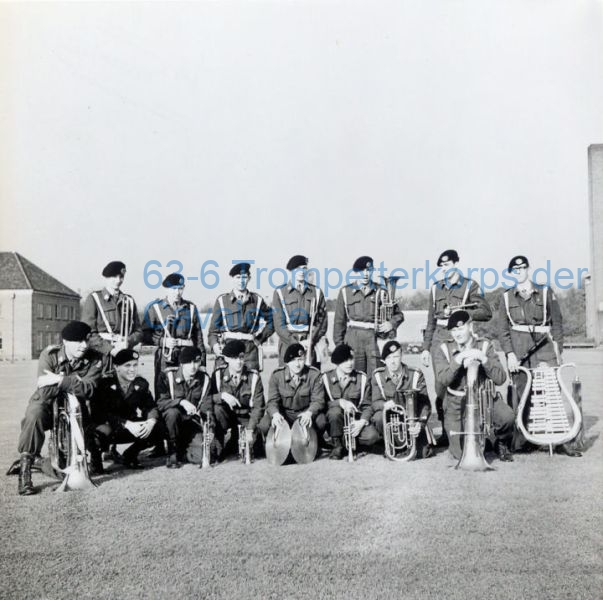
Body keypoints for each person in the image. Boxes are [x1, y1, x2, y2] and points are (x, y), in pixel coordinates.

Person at [498, 255, 581, 456]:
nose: (519, 271)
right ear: (511, 273)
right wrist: (509, 354)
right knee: (521, 395)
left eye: (522, 267)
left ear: (528, 269)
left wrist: (558, 350)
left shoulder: (545, 292)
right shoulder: (506, 297)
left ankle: (558, 438)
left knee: (551, 393)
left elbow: (557, 323)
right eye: (515, 269)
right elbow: (503, 330)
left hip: (545, 349)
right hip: (519, 352)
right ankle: (523, 440)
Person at [14, 321, 103, 495]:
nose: (84, 345)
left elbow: (90, 390)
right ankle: (25, 471)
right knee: (34, 413)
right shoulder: (50, 355)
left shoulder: (95, 359)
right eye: (78, 341)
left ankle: (39, 463)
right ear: (65, 342)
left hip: (77, 411)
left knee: (67, 472)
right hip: (47, 406)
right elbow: (45, 390)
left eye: (86, 340)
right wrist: (75, 384)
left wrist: (60, 380)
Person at [421, 249, 492, 447]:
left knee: (463, 383)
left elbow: (486, 312)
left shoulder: (470, 285)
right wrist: (425, 348)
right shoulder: (435, 288)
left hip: (461, 340)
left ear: (456, 264)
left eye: (447, 264)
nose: (444, 268)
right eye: (442, 266)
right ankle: (447, 431)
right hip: (439, 341)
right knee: (441, 386)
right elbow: (430, 321)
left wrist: (463, 313)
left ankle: (470, 427)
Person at [434, 311, 514, 462]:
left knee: (507, 417)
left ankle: (501, 442)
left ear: (470, 327)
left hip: (483, 398)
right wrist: (458, 360)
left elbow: (501, 379)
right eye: (453, 330)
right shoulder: (443, 348)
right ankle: (483, 441)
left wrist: (484, 359)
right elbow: (443, 379)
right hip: (456, 402)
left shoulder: (485, 345)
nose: (457, 334)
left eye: (461, 328)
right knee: (459, 453)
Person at [92, 349, 162, 469]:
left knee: (159, 427)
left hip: (130, 426)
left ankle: (130, 455)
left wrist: (150, 421)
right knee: (100, 433)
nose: (132, 369)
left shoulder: (141, 383)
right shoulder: (104, 383)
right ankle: (96, 460)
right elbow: (100, 413)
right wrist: (126, 423)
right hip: (109, 426)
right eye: (127, 365)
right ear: (116, 367)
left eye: (135, 365)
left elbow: (150, 406)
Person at [143, 272, 207, 393]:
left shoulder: (191, 308)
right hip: (165, 358)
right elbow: (145, 335)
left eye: (180, 288)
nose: (177, 292)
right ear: (166, 289)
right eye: (173, 289)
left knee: (188, 391)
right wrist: (163, 341)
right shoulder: (155, 308)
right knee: (164, 391)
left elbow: (199, 338)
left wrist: (202, 363)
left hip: (187, 358)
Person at [371, 340, 434, 459]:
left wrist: (420, 424)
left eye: (396, 357)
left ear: (401, 356)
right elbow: (374, 403)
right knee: (378, 417)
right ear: (384, 360)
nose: (393, 361)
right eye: (389, 358)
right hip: (391, 420)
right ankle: (392, 445)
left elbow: (425, 404)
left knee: (422, 453)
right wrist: (384, 405)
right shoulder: (378, 376)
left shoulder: (416, 374)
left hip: (412, 420)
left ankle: (404, 445)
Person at [208, 262, 274, 371]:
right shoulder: (222, 301)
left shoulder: (257, 300)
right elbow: (212, 331)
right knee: (225, 379)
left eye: (244, 277)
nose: (241, 281)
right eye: (238, 277)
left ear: (249, 278)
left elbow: (273, 320)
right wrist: (215, 345)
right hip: (228, 348)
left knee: (251, 379)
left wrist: (260, 339)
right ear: (232, 279)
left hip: (250, 352)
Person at [156, 346, 214, 468]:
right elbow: (160, 403)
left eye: (196, 362)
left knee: (203, 457)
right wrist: (181, 402)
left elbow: (207, 407)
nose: (193, 366)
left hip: (192, 424)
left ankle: (182, 449)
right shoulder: (167, 376)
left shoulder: (205, 379)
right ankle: (172, 451)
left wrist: (210, 429)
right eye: (188, 362)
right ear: (181, 363)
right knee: (172, 412)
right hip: (171, 424)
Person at [81, 261, 143, 372]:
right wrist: (110, 349)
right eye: (114, 277)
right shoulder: (94, 298)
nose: (118, 280)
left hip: (124, 357)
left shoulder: (129, 301)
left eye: (121, 277)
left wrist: (128, 341)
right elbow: (88, 333)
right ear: (106, 278)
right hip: (100, 358)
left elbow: (138, 332)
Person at [261, 343, 327, 446]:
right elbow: (272, 401)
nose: (297, 364)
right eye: (293, 360)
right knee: (264, 424)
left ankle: (316, 441)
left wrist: (309, 413)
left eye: (300, 360)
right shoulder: (277, 376)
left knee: (321, 421)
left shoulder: (314, 374)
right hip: (285, 415)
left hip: (305, 413)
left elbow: (318, 400)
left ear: (304, 360)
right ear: (287, 362)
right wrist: (275, 414)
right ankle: (271, 444)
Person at [211, 340, 267, 461]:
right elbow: (208, 399)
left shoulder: (254, 377)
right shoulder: (218, 375)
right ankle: (220, 441)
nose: (238, 362)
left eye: (241, 357)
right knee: (217, 409)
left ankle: (235, 439)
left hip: (246, 417)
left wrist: (250, 430)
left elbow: (259, 407)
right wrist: (222, 396)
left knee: (257, 451)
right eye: (234, 358)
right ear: (226, 359)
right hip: (226, 416)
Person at [322, 343, 379, 459]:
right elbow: (322, 403)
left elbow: (368, 405)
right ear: (337, 362)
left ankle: (352, 444)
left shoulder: (362, 378)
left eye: (351, 359)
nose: (350, 363)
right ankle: (337, 446)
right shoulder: (325, 378)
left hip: (355, 421)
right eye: (345, 360)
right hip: (335, 422)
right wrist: (339, 402)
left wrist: (362, 422)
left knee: (372, 436)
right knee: (334, 412)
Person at [272, 255, 328, 367]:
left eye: (304, 268)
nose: (301, 271)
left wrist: (311, 340)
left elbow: (322, 322)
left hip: (310, 344)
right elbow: (279, 325)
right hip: (288, 344)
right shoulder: (280, 292)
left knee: (311, 375)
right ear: (291, 270)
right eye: (298, 269)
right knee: (287, 375)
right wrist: (295, 343)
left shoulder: (316, 292)